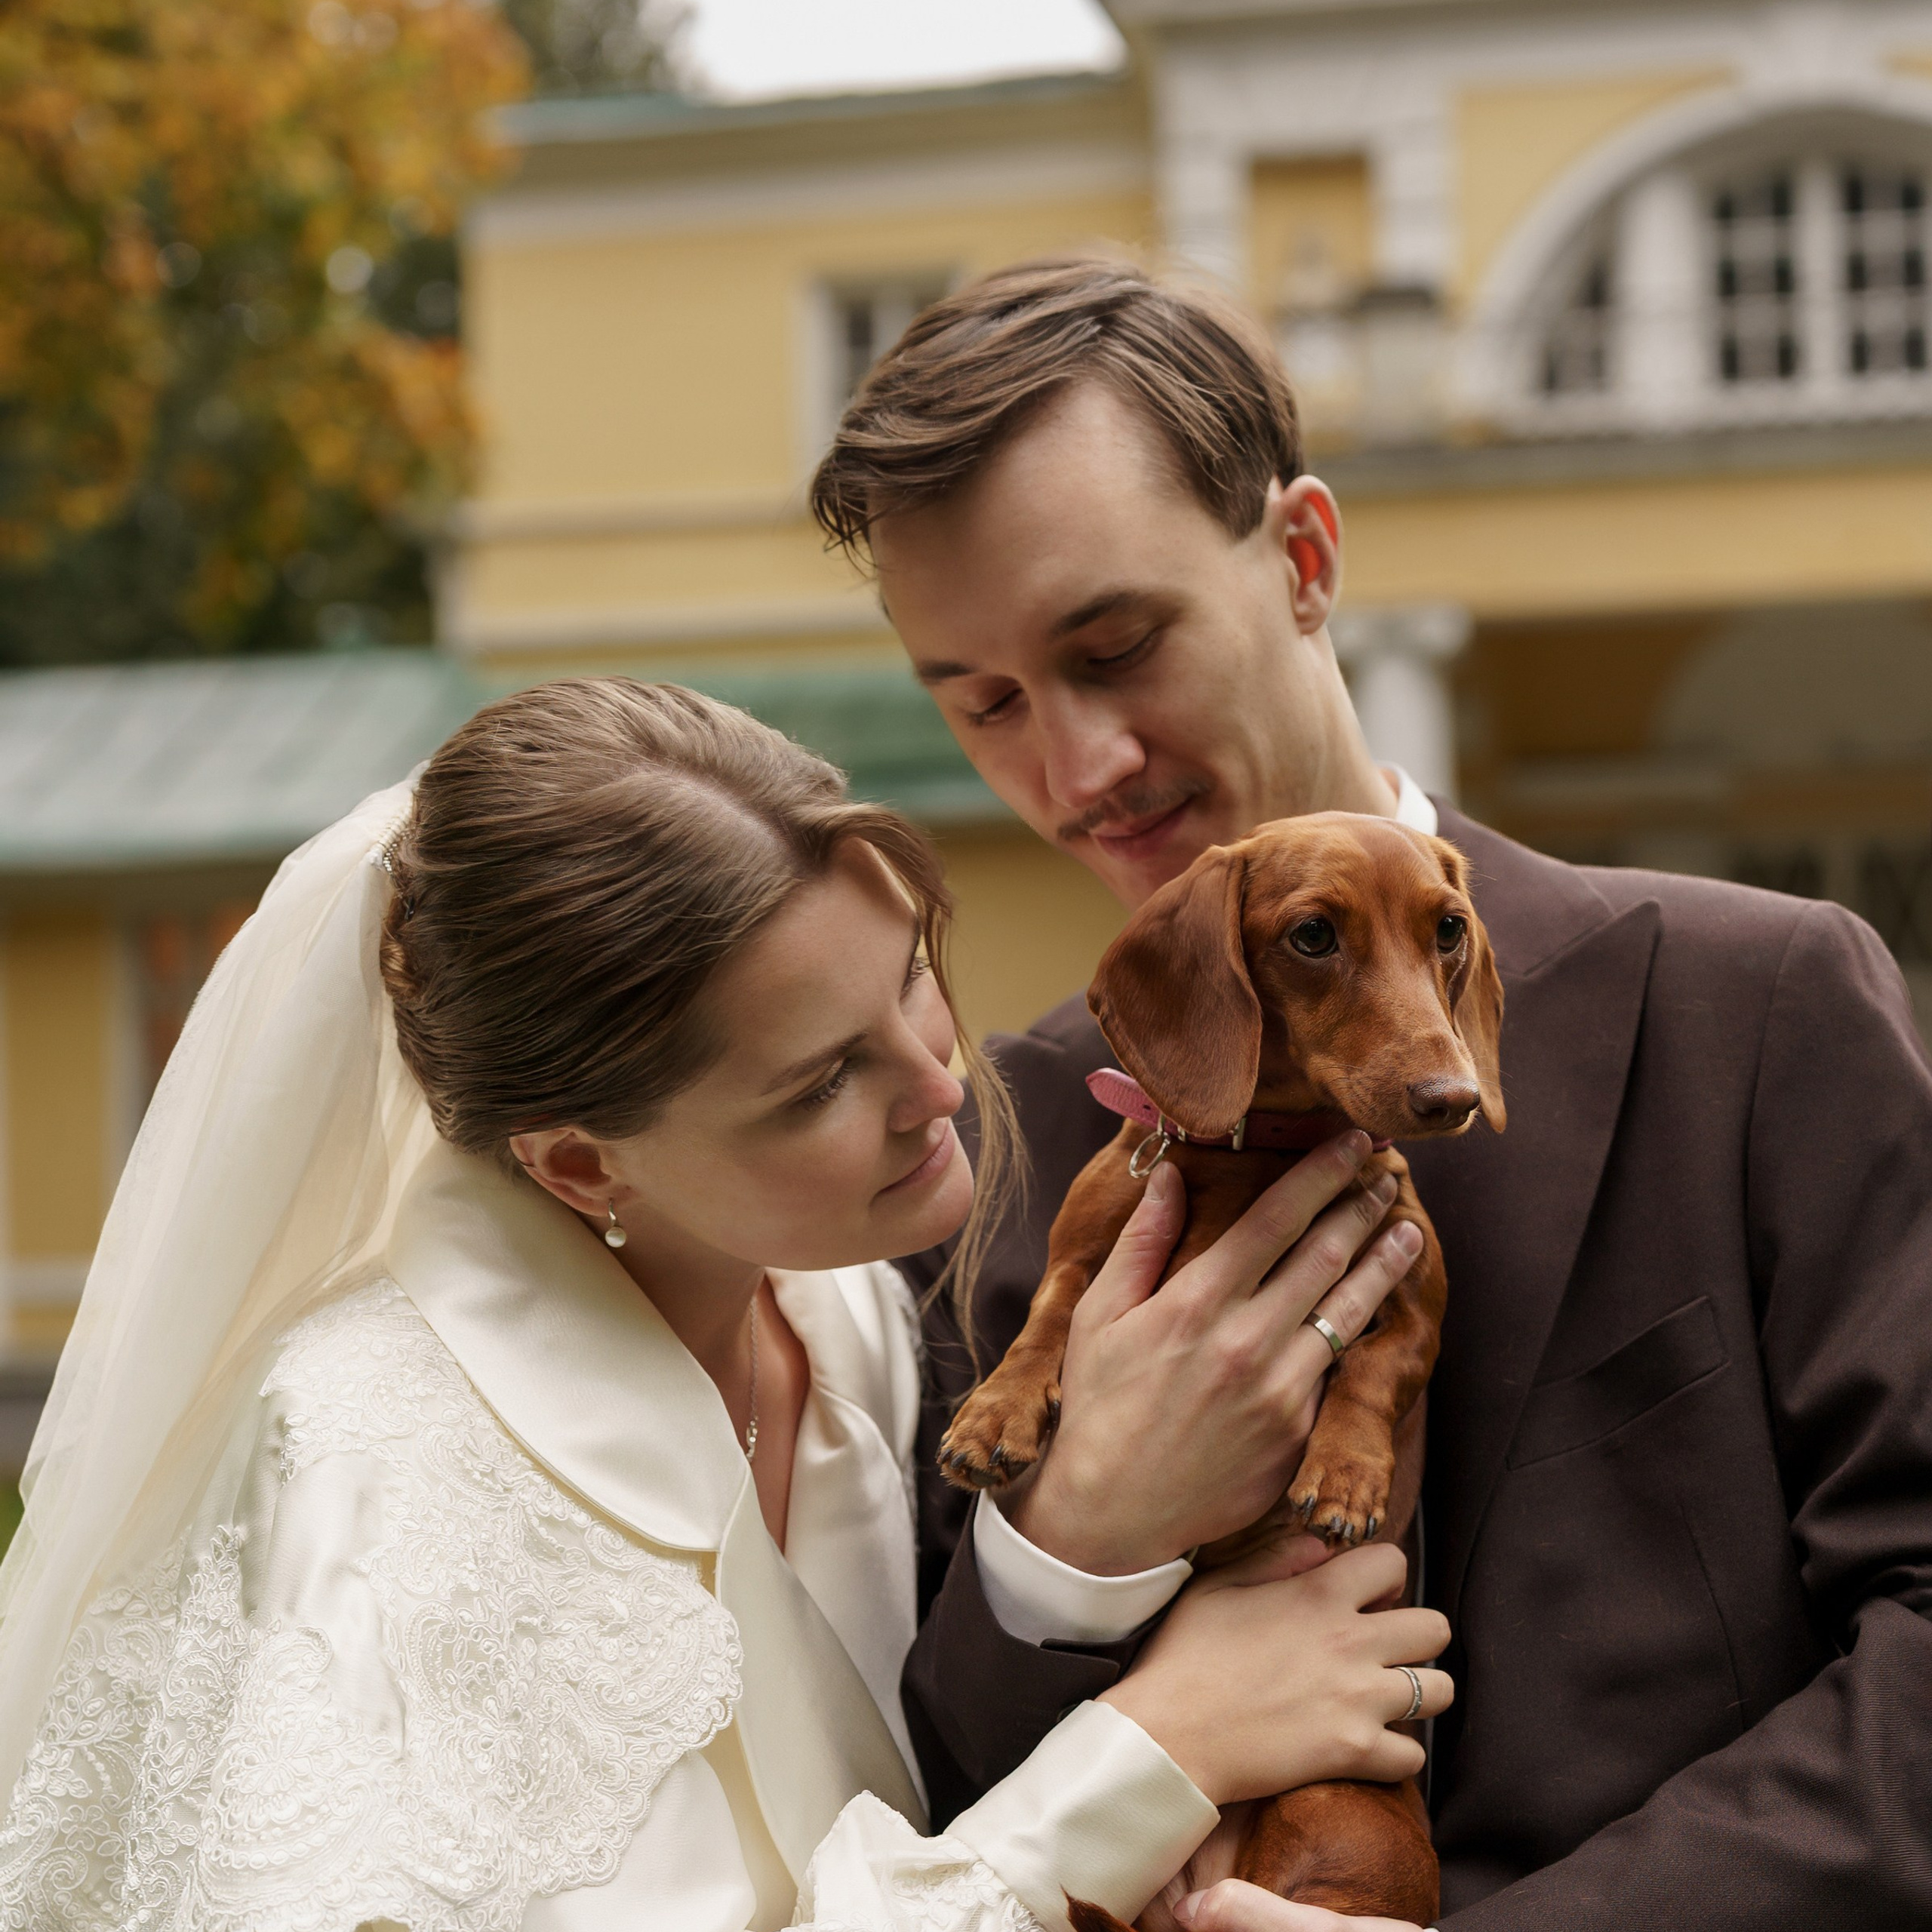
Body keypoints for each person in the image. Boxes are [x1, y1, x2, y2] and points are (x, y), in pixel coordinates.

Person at [809, 260, 1932, 1930]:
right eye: (982, 703)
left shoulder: (1759, 1005)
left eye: (1116, 644)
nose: (1074, 769)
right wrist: (1076, 1541)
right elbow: (918, 1797)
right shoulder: (991, 1137)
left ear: (1307, 559)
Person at [0, 678, 1450, 1932]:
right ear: (580, 1163)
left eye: (913, 980)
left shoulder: (851, 1320)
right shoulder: (378, 1488)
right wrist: (1156, 1746)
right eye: (822, 1082)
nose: (941, 1086)